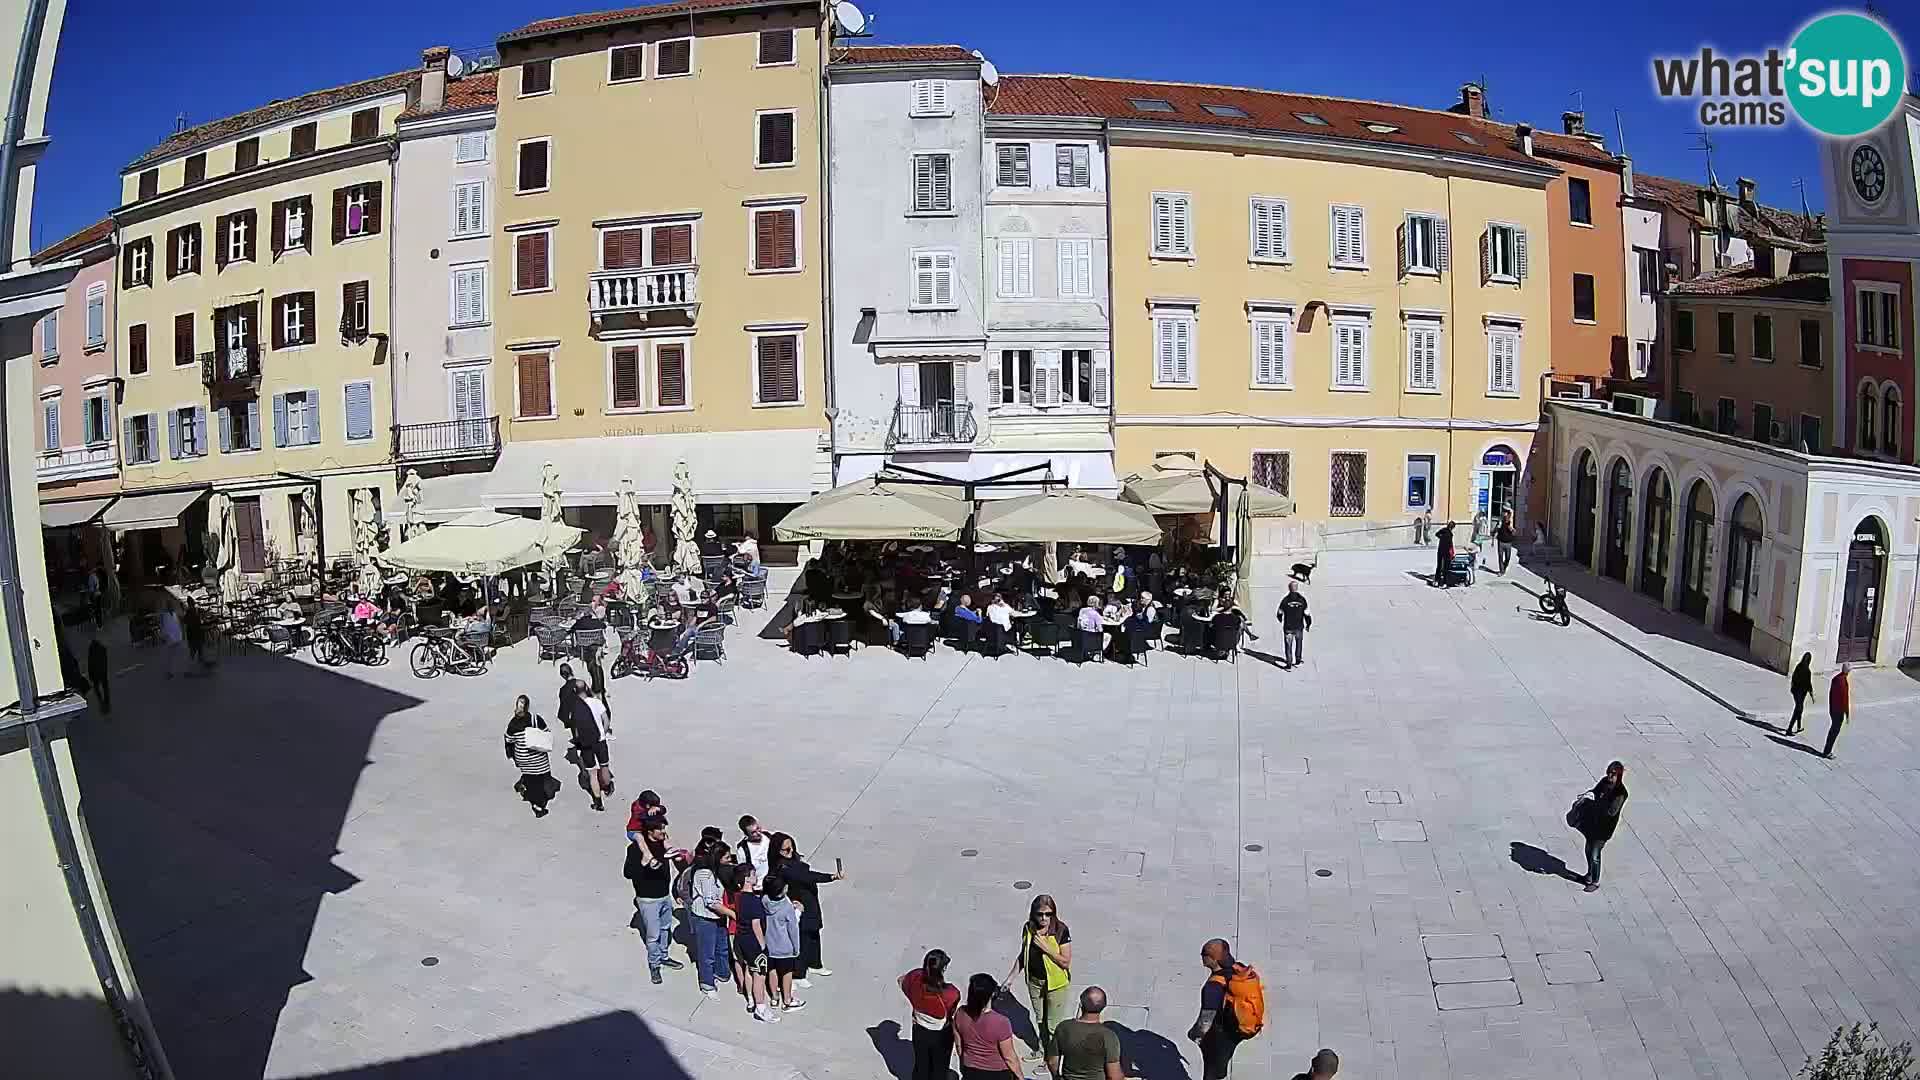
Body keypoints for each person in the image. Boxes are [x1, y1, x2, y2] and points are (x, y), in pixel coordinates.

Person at [768, 832, 842, 985]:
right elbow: (807, 876)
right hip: (800, 903)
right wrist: (830, 877)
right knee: (803, 937)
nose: (790, 852)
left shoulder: (793, 860)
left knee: (814, 933)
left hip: (810, 901)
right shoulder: (783, 867)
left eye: (791, 848)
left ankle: (815, 964)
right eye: (786, 850)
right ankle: (799, 973)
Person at [1010, 894, 1072, 1062]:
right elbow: (1024, 954)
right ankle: (1043, 1049)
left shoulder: (1060, 930)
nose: (1044, 918)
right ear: (1033, 914)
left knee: (1052, 1026)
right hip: (1034, 982)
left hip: (1056, 985)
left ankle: (1052, 1059)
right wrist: (1011, 977)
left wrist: (1047, 948)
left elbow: (1065, 962)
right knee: (1040, 1019)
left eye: (1048, 914)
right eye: (1040, 914)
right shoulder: (1028, 928)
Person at [624, 817, 682, 983]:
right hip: (648, 899)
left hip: (664, 895)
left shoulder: (663, 844)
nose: (664, 832)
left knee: (665, 929)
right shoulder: (635, 849)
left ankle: (663, 956)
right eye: (660, 829)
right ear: (650, 831)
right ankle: (654, 964)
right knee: (653, 935)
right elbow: (627, 873)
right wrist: (643, 863)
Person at [1189, 939, 1257, 1078]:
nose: (1201, 956)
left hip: (1220, 1035)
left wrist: (1195, 1035)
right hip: (1236, 1031)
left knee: (1212, 1071)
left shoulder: (1213, 988)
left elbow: (1206, 1021)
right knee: (1222, 1061)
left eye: (1204, 954)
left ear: (1213, 959)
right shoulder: (1239, 968)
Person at [952, 972, 1026, 1080]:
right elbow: (1009, 1057)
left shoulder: (960, 1013)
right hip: (996, 1073)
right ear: (992, 994)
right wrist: (1020, 1077)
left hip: (970, 1070)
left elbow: (959, 1046)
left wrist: (965, 1066)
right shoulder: (1001, 1022)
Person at [900, 949, 959, 1080]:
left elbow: (901, 981)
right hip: (941, 1034)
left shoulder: (914, 977)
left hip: (919, 1030)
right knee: (940, 1067)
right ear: (942, 969)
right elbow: (951, 1012)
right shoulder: (950, 994)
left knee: (921, 1064)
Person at [730, 865, 777, 1022]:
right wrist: (763, 946)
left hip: (741, 939)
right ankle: (761, 1007)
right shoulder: (754, 901)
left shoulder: (738, 897)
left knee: (749, 970)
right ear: (747, 879)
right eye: (753, 874)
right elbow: (756, 925)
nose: (756, 876)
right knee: (759, 975)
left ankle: (751, 999)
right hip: (754, 943)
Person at [688, 842, 734, 998]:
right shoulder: (704, 874)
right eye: (727, 857)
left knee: (722, 948)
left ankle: (721, 972)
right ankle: (707, 983)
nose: (730, 859)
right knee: (707, 953)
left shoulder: (719, 872)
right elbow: (711, 902)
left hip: (718, 917)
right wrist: (733, 914)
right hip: (705, 918)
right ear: (718, 858)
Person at [1575, 761, 1628, 892]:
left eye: (1613, 774)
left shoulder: (1621, 793)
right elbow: (1595, 791)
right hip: (1593, 823)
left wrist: (1596, 803)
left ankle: (1595, 881)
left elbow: (1611, 811)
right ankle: (1589, 874)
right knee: (1588, 849)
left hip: (1604, 828)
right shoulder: (1604, 782)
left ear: (1619, 775)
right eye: (1609, 772)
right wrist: (1588, 795)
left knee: (1595, 853)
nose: (1610, 775)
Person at [1049, 986, 1123, 1080]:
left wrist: (1056, 1077)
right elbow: (1114, 1076)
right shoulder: (1109, 1036)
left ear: (1081, 1004)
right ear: (1104, 1006)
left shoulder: (1064, 1027)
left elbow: (1052, 1061)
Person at [503, 695, 556, 818]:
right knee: (541, 779)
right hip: (538, 757)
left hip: (523, 758)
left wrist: (513, 757)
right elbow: (547, 733)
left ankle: (529, 791)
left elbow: (509, 741)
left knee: (532, 780)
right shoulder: (535, 719)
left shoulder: (513, 723)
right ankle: (538, 805)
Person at [761, 874, 805, 1011]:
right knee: (787, 973)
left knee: (772, 971)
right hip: (785, 948)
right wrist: (796, 948)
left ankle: (774, 997)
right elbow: (793, 928)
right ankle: (787, 999)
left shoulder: (764, 900)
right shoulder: (786, 907)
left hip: (769, 945)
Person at [572, 679, 612, 812]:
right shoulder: (596, 702)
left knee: (592, 774)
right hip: (600, 741)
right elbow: (606, 721)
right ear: (586, 688)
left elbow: (576, 730)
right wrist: (603, 733)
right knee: (604, 766)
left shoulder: (576, 707)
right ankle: (607, 787)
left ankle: (598, 802)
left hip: (586, 744)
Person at [1278, 581, 1311, 668]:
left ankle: (1289, 664)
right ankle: (1298, 660)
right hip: (1299, 627)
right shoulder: (1302, 600)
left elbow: (1279, 613)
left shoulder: (1285, 600)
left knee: (1288, 646)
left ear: (1289, 588)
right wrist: (1308, 624)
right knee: (1299, 643)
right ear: (1297, 588)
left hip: (1288, 627)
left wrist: (1280, 619)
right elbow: (1307, 614)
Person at [737, 815, 773, 885]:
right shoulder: (743, 850)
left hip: (773, 885)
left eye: (758, 828)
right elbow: (744, 873)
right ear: (746, 834)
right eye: (753, 832)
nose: (758, 833)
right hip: (757, 887)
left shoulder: (770, 839)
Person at [1825, 664, 1850, 758]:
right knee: (1834, 730)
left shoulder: (1836, 678)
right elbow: (1845, 699)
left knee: (1833, 729)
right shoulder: (1842, 682)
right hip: (1838, 711)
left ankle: (1827, 750)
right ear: (1847, 671)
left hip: (1832, 708)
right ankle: (1827, 751)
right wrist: (1847, 713)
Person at [1786, 653, 1814, 736]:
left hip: (1795, 691)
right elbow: (1808, 684)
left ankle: (1798, 726)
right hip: (1801, 693)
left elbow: (1794, 677)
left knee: (1799, 708)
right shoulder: (1807, 671)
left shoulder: (1798, 666)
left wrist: (1792, 687)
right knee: (1798, 709)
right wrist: (1812, 694)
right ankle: (1789, 729)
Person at [86, 636, 110, 718]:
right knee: (104, 685)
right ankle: (106, 699)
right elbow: (105, 660)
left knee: (97, 687)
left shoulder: (91, 652)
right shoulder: (102, 649)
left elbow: (90, 664)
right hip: (102, 671)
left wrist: (90, 674)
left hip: (95, 672)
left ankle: (101, 698)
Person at [1435, 521, 1455, 588]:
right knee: (1446, 568)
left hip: (1440, 550)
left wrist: (1441, 538)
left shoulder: (1443, 530)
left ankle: (1436, 581)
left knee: (1439, 566)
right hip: (1446, 552)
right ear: (1452, 527)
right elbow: (1450, 545)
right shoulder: (1450, 534)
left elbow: (1436, 534)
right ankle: (1444, 583)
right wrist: (1452, 553)